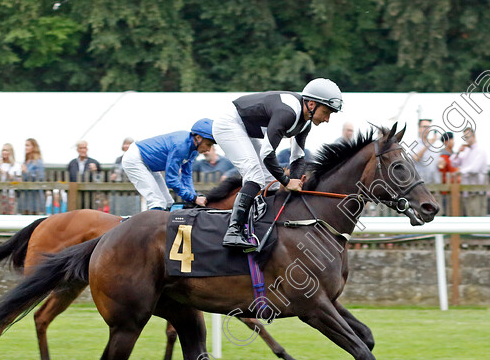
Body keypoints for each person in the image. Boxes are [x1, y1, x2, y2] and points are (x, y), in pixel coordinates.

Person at [213, 77, 343, 249]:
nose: (327, 119)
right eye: (326, 112)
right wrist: (287, 182)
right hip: (229, 124)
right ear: (312, 105)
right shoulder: (288, 113)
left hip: (246, 130)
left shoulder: (305, 124)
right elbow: (267, 153)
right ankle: (233, 232)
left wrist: (296, 183)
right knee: (255, 177)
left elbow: (297, 158)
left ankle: (260, 225)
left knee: (269, 182)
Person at [121, 118, 216, 211]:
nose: (209, 149)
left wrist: (192, 197)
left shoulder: (194, 150)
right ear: (198, 138)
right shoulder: (181, 146)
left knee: (168, 202)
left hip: (148, 164)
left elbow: (186, 176)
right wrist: (193, 198)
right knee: (157, 202)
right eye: (208, 144)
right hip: (134, 159)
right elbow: (171, 180)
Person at [451, 128, 488, 216]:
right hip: (466, 191)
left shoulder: (480, 151)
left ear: (473, 136)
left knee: (477, 216)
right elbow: (454, 163)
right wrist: (458, 152)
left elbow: (475, 169)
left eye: (467, 136)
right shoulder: (466, 151)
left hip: (477, 191)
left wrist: (460, 171)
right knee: (468, 215)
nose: (466, 139)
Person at [19, 138, 45, 214]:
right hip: (25, 196)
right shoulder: (26, 162)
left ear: (33, 147)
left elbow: (40, 177)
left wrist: (26, 172)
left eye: (27, 145)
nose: (25, 148)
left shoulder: (38, 162)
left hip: (35, 197)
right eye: (25, 145)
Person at [410, 118, 440, 184]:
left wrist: (442, 162)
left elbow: (438, 163)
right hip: (421, 184)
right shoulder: (414, 144)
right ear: (419, 129)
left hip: (435, 185)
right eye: (424, 127)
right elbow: (415, 158)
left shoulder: (435, 145)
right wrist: (427, 145)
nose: (427, 129)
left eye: (429, 127)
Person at [0, 143, 21, 214]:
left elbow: (19, 180)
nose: (4, 152)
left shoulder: (16, 165)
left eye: (7, 150)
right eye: (3, 150)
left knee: (11, 213)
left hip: (12, 194)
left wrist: (7, 174)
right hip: (1, 194)